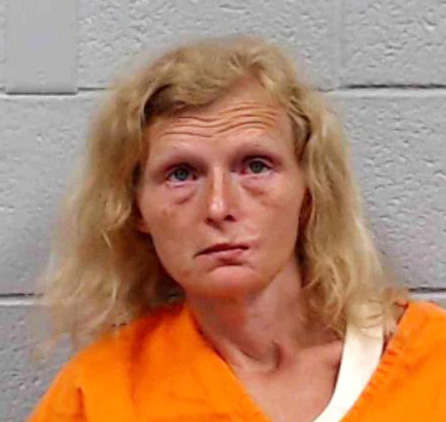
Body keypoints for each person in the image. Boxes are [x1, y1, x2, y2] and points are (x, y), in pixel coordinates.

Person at [27, 35, 446, 422]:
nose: (218, 207)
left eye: (255, 166)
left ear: (309, 191)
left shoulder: (433, 361)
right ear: (135, 207)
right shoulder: (100, 396)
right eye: (181, 174)